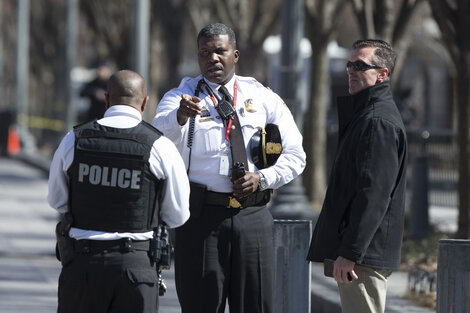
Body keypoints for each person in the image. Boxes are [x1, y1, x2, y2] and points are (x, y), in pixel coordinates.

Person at [152, 23, 306, 313]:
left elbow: (296, 154)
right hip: (201, 220)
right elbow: (156, 140)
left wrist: (263, 178)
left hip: (253, 217)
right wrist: (179, 117)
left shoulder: (261, 97)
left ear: (235, 55)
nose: (212, 59)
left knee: (256, 305)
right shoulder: (181, 96)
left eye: (220, 51)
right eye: (205, 53)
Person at [48, 70, 190, 313]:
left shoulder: (75, 139)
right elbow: (177, 215)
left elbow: (57, 201)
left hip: (82, 265)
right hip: (136, 268)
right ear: (145, 103)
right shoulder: (160, 146)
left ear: (106, 99)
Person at [307, 39, 408, 313]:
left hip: (363, 258)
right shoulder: (367, 116)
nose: (350, 70)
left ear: (382, 74)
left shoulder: (377, 122)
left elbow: (373, 195)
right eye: (349, 64)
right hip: (363, 255)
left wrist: (350, 253)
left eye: (360, 65)